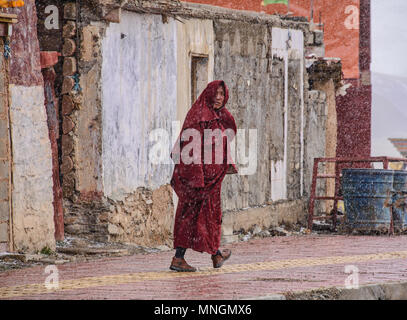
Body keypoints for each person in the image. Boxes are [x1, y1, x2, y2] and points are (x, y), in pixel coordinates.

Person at [169, 80, 238, 272]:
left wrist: (222, 110)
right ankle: (179, 259)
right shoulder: (198, 116)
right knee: (190, 217)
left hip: (212, 180)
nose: (218, 97)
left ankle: (215, 254)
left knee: (209, 217)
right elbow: (190, 150)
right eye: (215, 93)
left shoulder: (215, 116)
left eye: (222, 94)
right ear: (207, 94)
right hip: (198, 180)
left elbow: (231, 131)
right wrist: (197, 179)